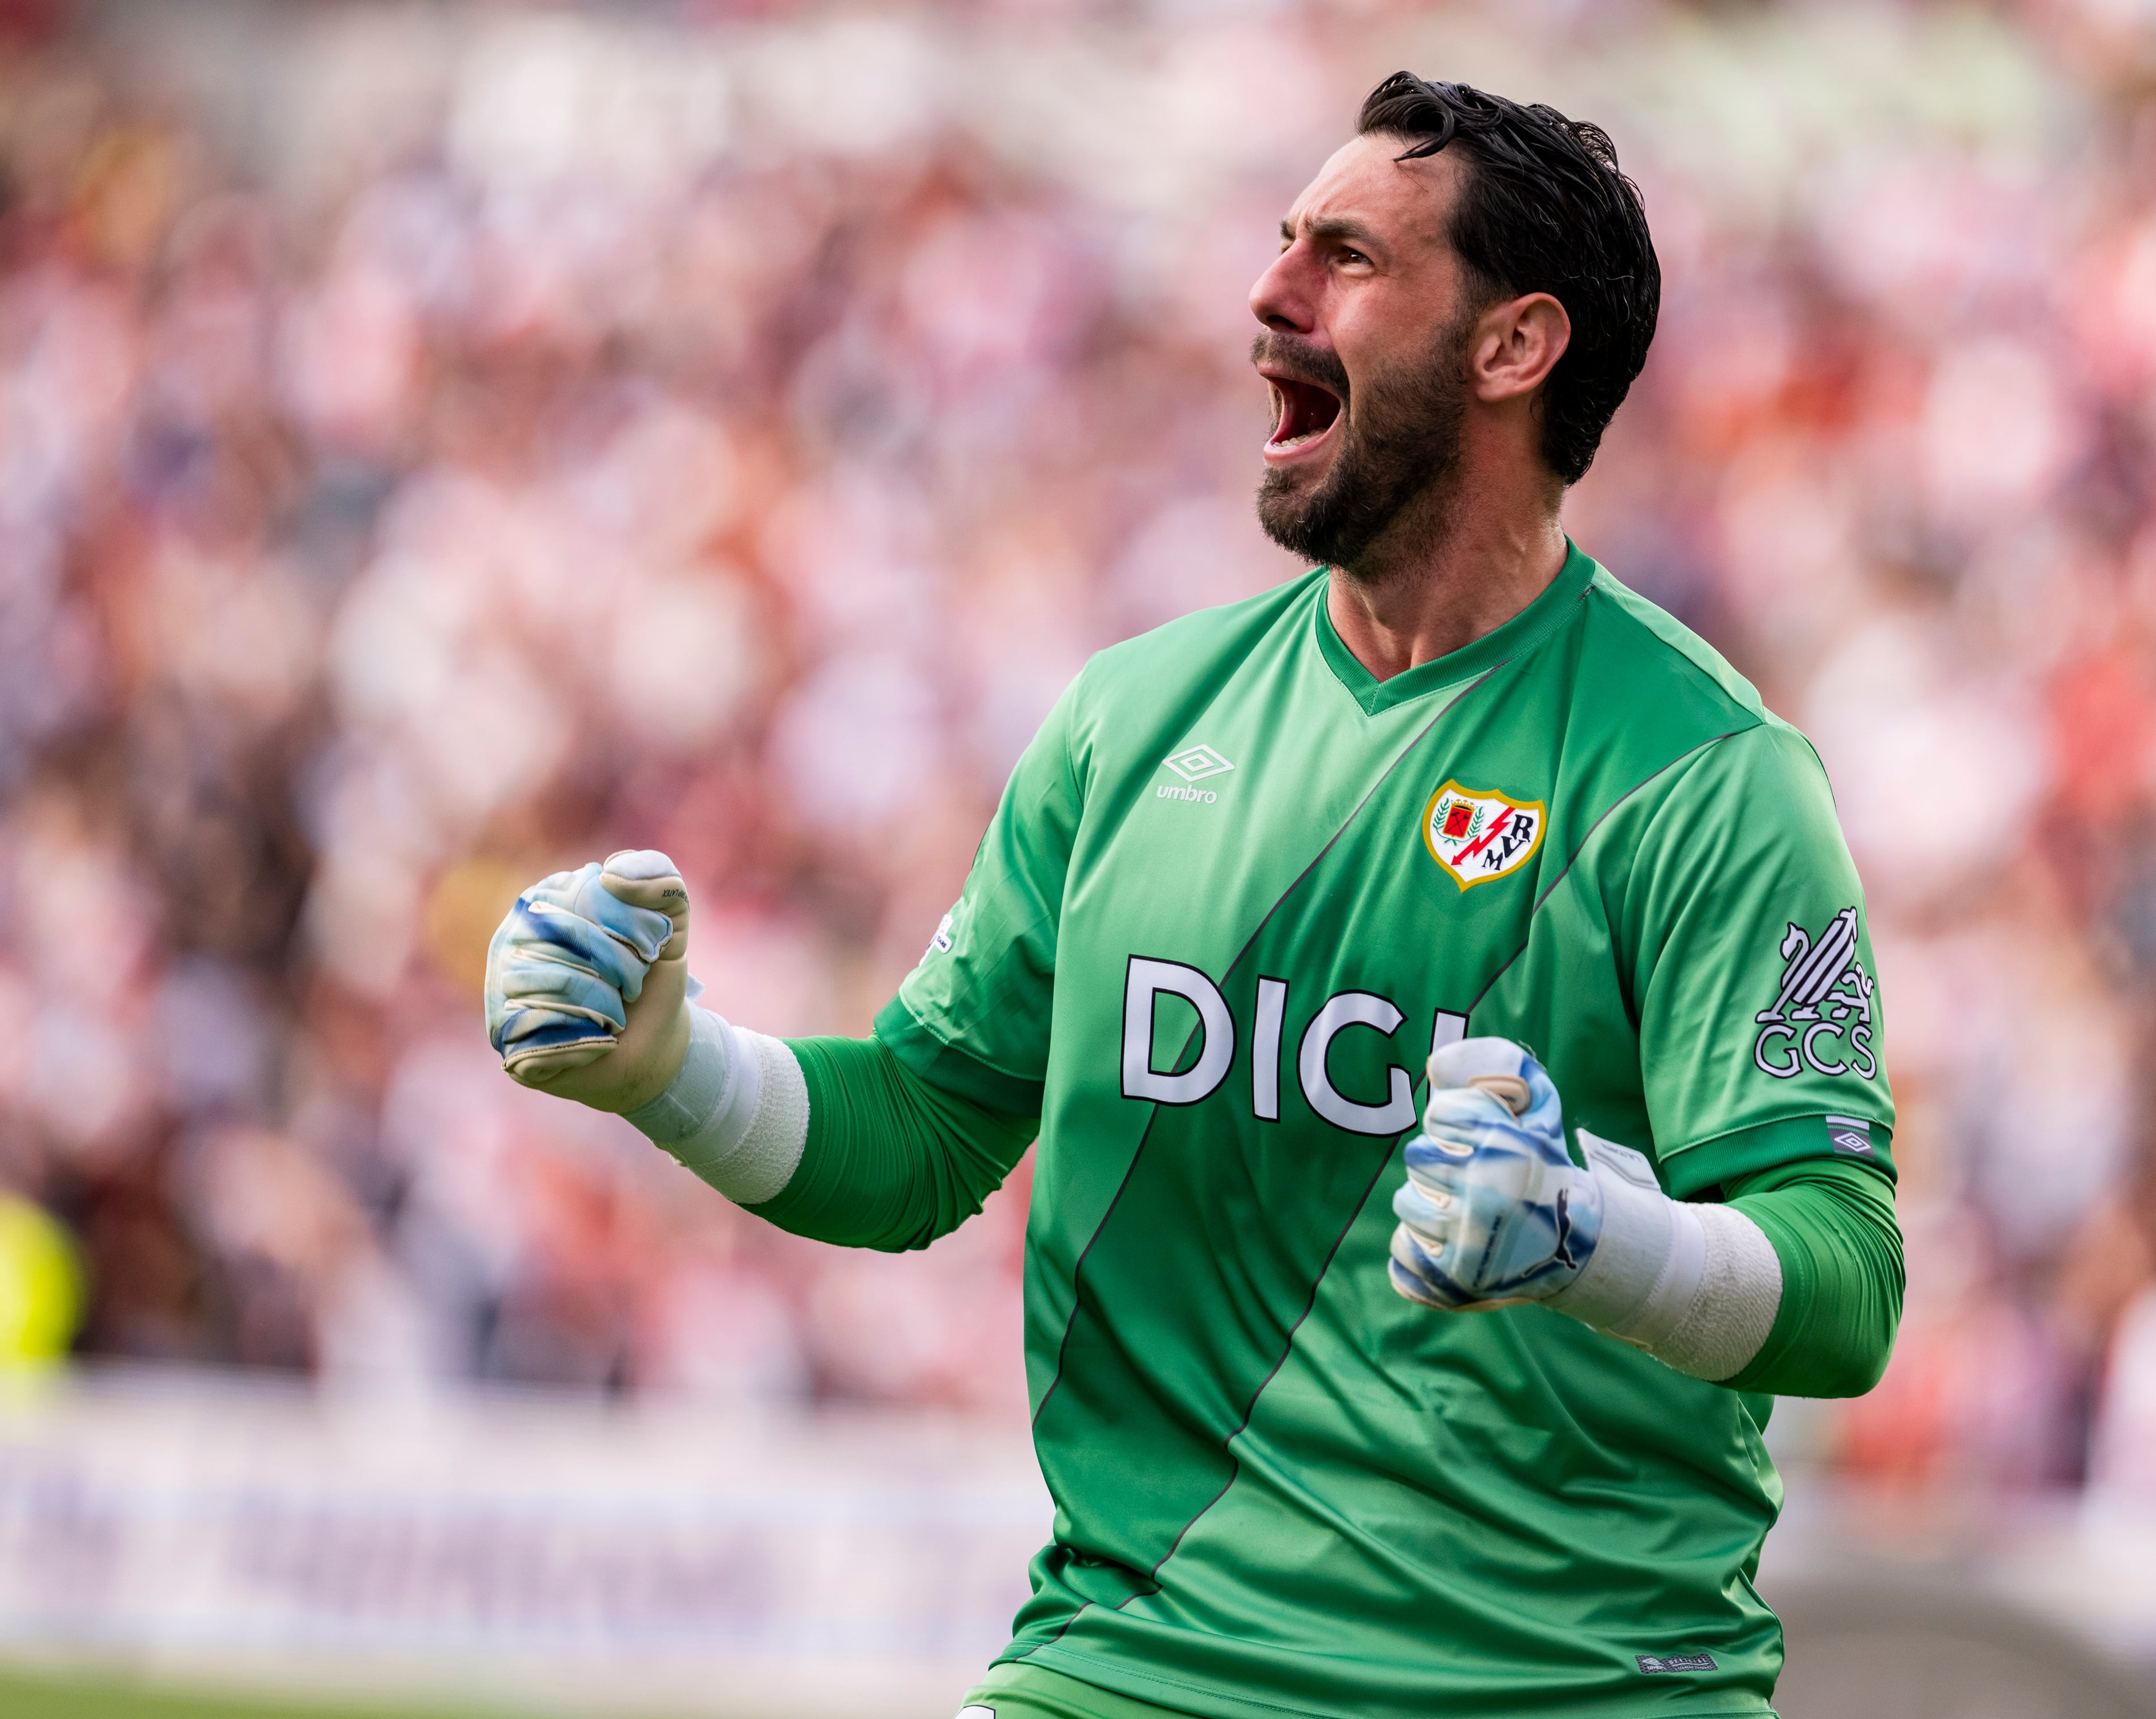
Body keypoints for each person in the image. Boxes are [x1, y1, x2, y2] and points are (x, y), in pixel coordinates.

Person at [485, 73, 1904, 1719]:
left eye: (1347, 257)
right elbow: (923, 1134)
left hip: (1565, 1687)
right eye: (1282, 239)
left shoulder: (1704, 776)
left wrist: (1600, 1241)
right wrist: (670, 1068)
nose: (1268, 291)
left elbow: (1843, 1284)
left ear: (1513, 348)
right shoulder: (1131, 722)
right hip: (1132, 1667)